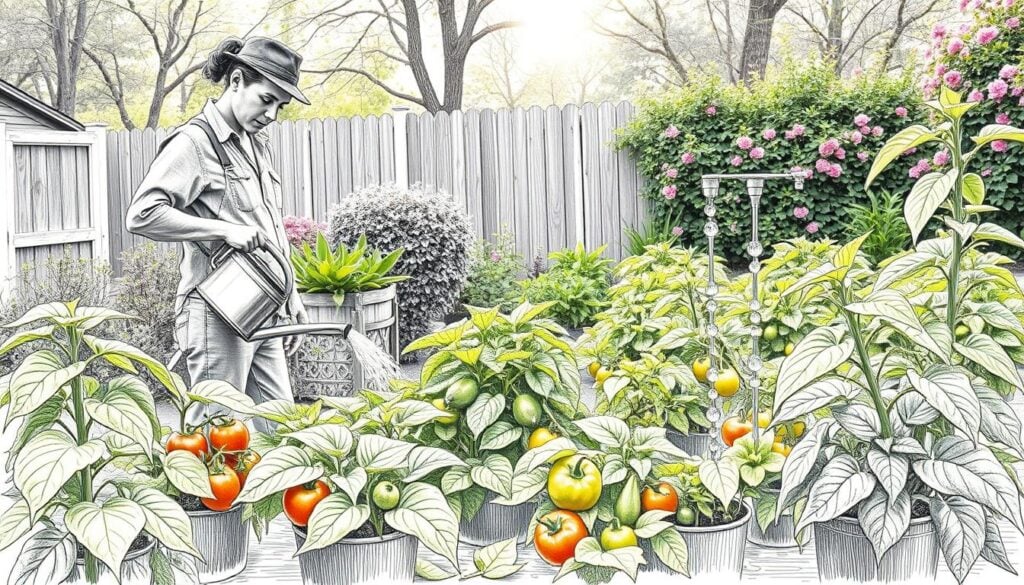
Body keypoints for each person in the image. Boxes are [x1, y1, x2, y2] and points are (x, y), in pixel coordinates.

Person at [126, 36, 310, 433]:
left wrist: (290, 292)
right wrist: (223, 230)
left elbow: (269, 226)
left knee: (281, 429)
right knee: (218, 433)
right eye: (267, 99)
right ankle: (200, 498)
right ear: (237, 80)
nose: (273, 115)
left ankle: (272, 498)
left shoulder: (256, 144)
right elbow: (142, 215)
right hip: (216, 310)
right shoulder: (194, 143)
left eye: (281, 105)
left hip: (262, 304)